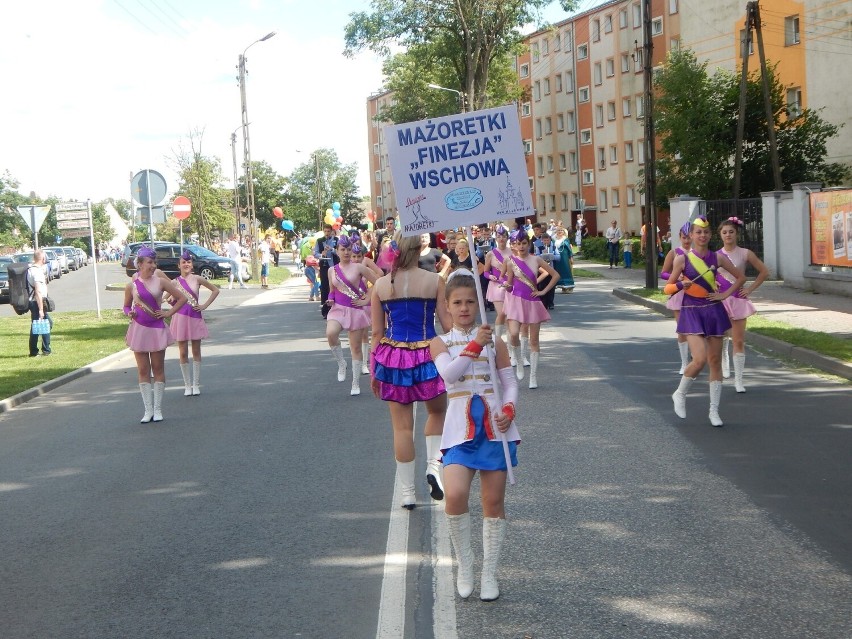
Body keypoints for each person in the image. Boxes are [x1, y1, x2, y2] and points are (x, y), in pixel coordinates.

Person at [429, 270, 520, 602]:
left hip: (494, 429)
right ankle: (465, 566)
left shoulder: (495, 341)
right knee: (454, 496)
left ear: (479, 305)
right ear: (448, 307)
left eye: (470, 301)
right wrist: (473, 345)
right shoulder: (439, 342)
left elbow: (509, 381)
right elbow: (450, 378)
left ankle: (489, 573)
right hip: (458, 429)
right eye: (457, 302)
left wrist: (509, 408)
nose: (464, 308)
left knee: (493, 502)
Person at [371, 234, 452, 509]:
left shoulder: (381, 285)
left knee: (402, 428)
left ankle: (407, 493)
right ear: (420, 249)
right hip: (429, 353)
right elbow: (447, 325)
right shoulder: (434, 281)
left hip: (393, 357)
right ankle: (433, 468)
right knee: (438, 412)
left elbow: (376, 333)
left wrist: (374, 370)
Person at [666, 217, 745, 427]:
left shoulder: (716, 258)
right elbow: (667, 287)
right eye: (698, 232)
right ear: (691, 236)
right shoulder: (682, 259)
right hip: (691, 311)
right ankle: (680, 393)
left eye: (706, 232)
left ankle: (714, 411)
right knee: (699, 359)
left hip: (713, 310)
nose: (702, 236)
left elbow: (740, 278)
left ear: (710, 235)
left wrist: (724, 294)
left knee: (715, 361)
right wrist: (682, 284)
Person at [123, 246, 187, 423]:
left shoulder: (160, 281)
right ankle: (147, 410)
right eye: (150, 262)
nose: (153, 266)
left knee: (158, 369)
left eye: (154, 262)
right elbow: (126, 306)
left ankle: (158, 409)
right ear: (140, 264)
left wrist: (168, 313)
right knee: (143, 370)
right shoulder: (132, 285)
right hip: (139, 329)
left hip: (156, 328)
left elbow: (182, 298)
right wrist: (129, 313)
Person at [717, 216, 769, 392]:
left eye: (731, 232)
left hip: (738, 299)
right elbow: (707, 275)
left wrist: (750, 289)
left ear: (736, 234)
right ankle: (724, 359)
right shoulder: (716, 255)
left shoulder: (745, 253)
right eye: (724, 232)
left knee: (738, 340)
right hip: (721, 299)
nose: (728, 235)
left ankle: (739, 380)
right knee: (722, 335)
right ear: (720, 235)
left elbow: (763, 272)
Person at [502, 230, 559, 389]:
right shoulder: (510, 261)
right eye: (518, 243)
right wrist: (506, 287)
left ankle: (533, 377)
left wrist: (543, 291)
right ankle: (519, 362)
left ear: (529, 243)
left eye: (524, 243)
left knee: (534, 340)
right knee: (513, 334)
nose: (521, 246)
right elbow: (510, 284)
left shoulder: (537, 259)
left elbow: (555, 275)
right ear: (514, 245)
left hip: (533, 301)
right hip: (515, 301)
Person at [326, 236, 378, 396]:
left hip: (355, 310)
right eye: (343, 249)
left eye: (349, 249)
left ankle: (355, 382)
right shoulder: (332, 270)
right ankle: (341, 363)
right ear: (337, 251)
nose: (347, 252)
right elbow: (332, 290)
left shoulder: (359, 268)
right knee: (331, 333)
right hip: (338, 309)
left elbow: (378, 281)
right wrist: (330, 299)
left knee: (355, 347)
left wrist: (367, 298)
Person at [168, 250, 220, 396]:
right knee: (183, 352)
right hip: (180, 318)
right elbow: (168, 298)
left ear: (192, 264)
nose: (186, 264)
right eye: (183, 262)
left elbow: (215, 290)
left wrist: (204, 305)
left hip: (195, 316)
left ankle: (196, 384)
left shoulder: (197, 279)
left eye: (189, 262)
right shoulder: (174, 282)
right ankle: (187, 385)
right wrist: (172, 302)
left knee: (196, 350)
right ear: (178, 265)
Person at [660, 223, 693, 374]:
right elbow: (664, 273)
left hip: (695, 294)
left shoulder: (699, 253)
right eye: (684, 237)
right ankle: (684, 362)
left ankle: (695, 352)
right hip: (679, 292)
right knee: (681, 328)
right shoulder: (674, 253)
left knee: (695, 327)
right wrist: (676, 276)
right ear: (679, 238)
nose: (686, 240)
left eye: (689, 237)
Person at [482, 225, 511, 344]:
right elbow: (485, 272)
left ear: (507, 238)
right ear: (496, 239)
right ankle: (498, 341)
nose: (501, 238)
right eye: (499, 236)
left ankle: (511, 344)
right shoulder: (491, 254)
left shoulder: (513, 252)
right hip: (497, 286)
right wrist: (490, 276)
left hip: (510, 286)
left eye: (504, 236)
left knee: (511, 317)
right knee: (502, 313)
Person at [26, 249, 52, 357]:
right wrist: (41, 309)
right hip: (37, 302)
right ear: (42, 258)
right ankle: (45, 350)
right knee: (45, 324)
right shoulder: (37, 271)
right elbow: (37, 291)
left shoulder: (30, 269)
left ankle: (35, 350)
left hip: (34, 302)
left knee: (37, 325)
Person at [314, 224, 339, 318]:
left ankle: (335, 308)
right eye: (325, 231)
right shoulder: (320, 241)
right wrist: (321, 255)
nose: (327, 233)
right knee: (324, 288)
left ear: (331, 231)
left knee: (334, 287)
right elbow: (315, 253)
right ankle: (325, 310)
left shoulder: (336, 240)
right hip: (324, 267)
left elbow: (339, 251)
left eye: (328, 231)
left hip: (334, 266)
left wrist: (332, 249)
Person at [553, 226, 575, 293]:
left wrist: (571, 257)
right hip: (556, 259)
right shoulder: (553, 239)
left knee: (566, 271)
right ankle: (562, 287)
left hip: (564, 258)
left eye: (561, 230)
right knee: (558, 272)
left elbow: (569, 250)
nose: (560, 231)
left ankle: (568, 287)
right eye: (558, 230)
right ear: (556, 232)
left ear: (563, 232)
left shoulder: (565, 239)